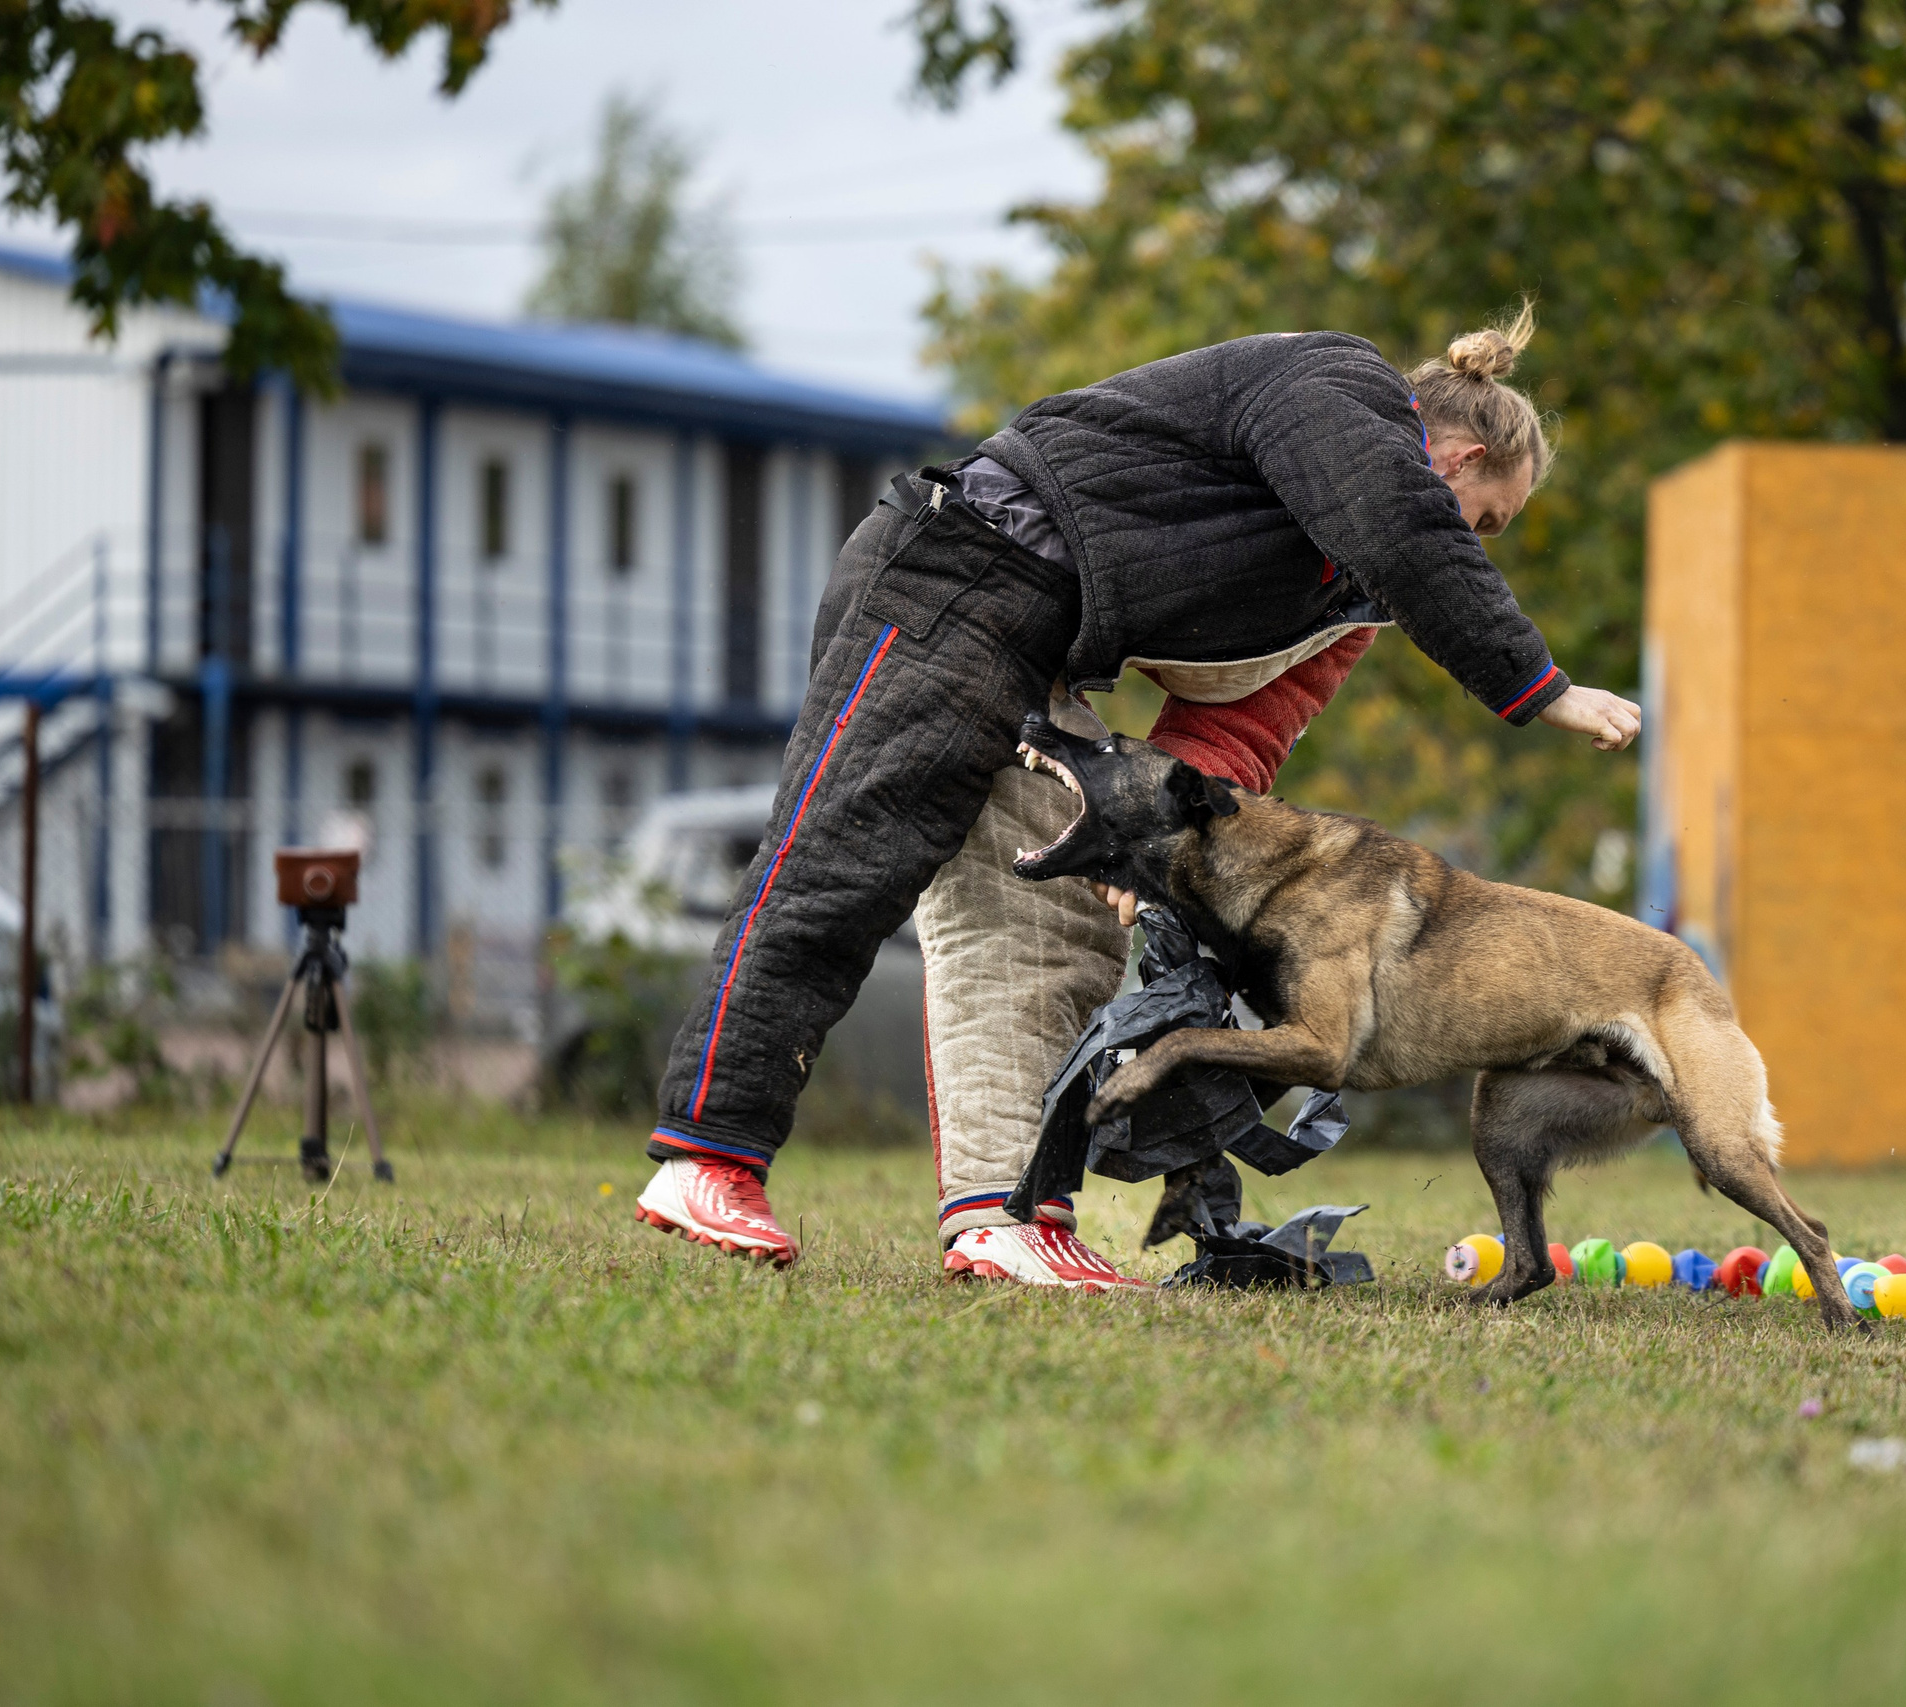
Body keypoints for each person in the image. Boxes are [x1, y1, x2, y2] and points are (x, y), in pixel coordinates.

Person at [629, 306, 1641, 1284]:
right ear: (1456, 461)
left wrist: (1160, 844)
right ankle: (706, 1159)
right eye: (1488, 522)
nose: (1479, 541)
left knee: (1055, 923)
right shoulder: (1336, 386)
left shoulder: (1345, 593)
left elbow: (1242, 727)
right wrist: (1537, 687)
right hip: (952, 570)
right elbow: (1408, 527)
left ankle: (1006, 1216)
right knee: (847, 865)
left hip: (1043, 647)